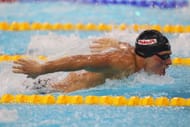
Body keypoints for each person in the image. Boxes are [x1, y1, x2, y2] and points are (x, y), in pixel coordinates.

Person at [12, 30, 172, 93]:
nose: (169, 62)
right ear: (146, 56)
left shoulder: (137, 56)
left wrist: (115, 43)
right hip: (50, 89)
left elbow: (130, 47)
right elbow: (81, 60)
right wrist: (41, 68)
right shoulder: (122, 62)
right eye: (164, 57)